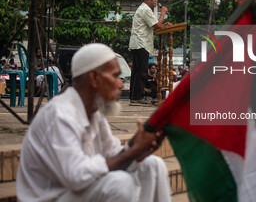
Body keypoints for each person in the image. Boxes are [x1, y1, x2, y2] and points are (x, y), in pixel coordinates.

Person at [16, 43, 171, 202]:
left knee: (153, 165)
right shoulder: (60, 115)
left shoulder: (95, 113)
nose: (121, 84)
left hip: (77, 191)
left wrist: (140, 150)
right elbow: (77, 177)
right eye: (115, 76)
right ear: (94, 78)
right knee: (120, 184)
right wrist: (132, 151)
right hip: (54, 196)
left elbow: (113, 154)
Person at [129, 0, 171, 105]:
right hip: (141, 43)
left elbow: (156, 25)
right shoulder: (146, 9)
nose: (156, 1)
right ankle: (138, 97)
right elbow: (157, 26)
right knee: (142, 72)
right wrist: (163, 13)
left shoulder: (143, 9)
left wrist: (163, 24)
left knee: (136, 71)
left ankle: (134, 97)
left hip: (137, 43)